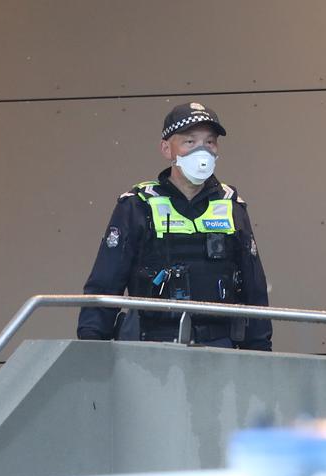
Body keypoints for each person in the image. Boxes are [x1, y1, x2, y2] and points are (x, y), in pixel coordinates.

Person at [77, 102, 272, 351]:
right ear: (166, 149)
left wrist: (260, 351)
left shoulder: (230, 204)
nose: (202, 152)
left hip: (219, 347)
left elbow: (254, 289)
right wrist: (91, 348)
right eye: (190, 142)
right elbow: (105, 284)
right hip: (151, 347)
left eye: (209, 142)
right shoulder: (138, 205)